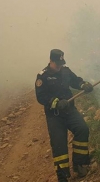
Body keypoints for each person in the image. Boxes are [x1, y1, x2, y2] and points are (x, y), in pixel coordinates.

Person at [35, 49, 93, 182]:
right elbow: (41, 96)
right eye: (57, 64)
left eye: (61, 63)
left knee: (82, 129)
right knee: (59, 145)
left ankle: (79, 164)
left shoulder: (65, 71)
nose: (59, 67)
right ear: (51, 61)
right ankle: (63, 176)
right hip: (55, 116)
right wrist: (55, 102)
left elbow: (75, 81)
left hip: (70, 111)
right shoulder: (42, 76)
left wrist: (84, 84)